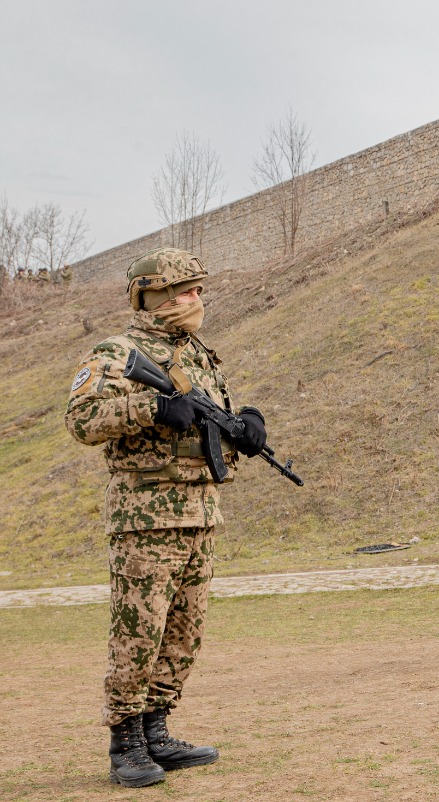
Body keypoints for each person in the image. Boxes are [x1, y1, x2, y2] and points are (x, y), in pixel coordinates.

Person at [66, 248, 267, 787]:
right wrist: (150, 408)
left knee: (183, 633)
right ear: (153, 295)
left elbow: (206, 424)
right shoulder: (117, 352)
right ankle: (126, 742)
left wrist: (245, 427)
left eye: (199, 290)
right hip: (145, 519)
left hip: (200, 513)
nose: (196, 299)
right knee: (138, 634)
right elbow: (82, 419)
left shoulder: (197, 354)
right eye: (186, 291)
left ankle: (156, 730)